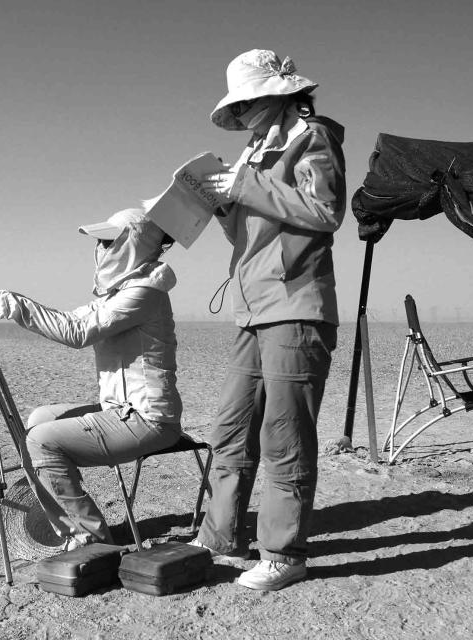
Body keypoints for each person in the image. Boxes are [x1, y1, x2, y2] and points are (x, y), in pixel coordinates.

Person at [192, 49, 346, 591]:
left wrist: (246, 188)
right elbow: (249, 239)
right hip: (251, 309)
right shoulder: (255, 151)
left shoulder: (312, 136)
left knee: (284, 434)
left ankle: (283, 555)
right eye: (243, 101)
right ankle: (220, 534)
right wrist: (223, 210)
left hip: (296, 307)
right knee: (231, 429)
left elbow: (326, 213)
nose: (248, 108)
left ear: (279, 92)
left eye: (253, 97)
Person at [0, 207, 183, 550]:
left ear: (133, 245)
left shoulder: (144, 293)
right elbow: (71, 319)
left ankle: (90, 538)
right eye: (99, 242)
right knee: (39, 419)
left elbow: (77, 332)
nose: (99, 249)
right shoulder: (121, 292)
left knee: (42, 442)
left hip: (148, 419)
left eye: (106, 242)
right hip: (121, 410)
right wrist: (2, 296)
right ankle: (69, 517)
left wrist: (14, 306)